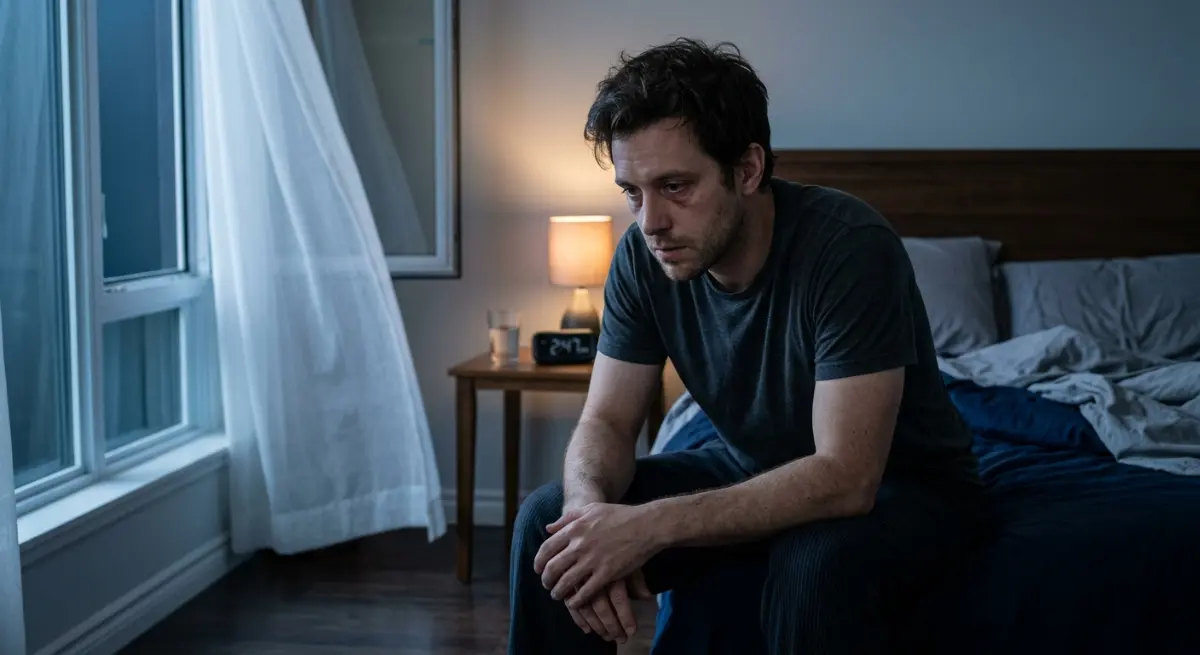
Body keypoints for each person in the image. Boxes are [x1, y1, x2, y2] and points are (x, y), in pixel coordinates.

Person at [507, 38, 983, 654]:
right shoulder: (642, 256)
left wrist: (648, 527)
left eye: (676, 186)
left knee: (815, 565)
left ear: (748, 169)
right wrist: (586, 517)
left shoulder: (849, 247)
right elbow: (608, 421)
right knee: (547, 526)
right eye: (633, 191)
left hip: (904, 487)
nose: (650, 222)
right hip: (747, 463)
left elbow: (846, 477)